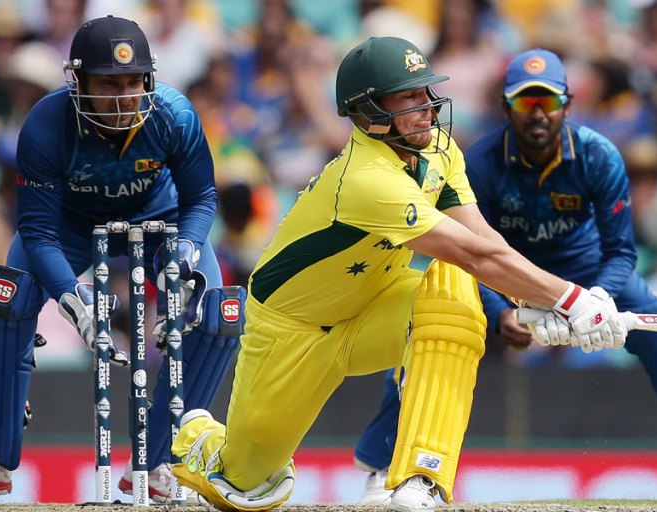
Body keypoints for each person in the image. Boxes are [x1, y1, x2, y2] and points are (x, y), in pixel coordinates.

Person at [168, 36, 628, 512]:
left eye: (426, 91)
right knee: (248, 485)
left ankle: (419, 476)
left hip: (378, 299)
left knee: (452, 297)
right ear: (368, 111)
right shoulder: (367, 178)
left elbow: (483, 240)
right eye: (409, 97)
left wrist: (539, 301)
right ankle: (204, 438)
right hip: (291, 330)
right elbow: (476, 255)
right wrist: (572, 300)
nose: (428, 107)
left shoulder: (440, 152)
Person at [354, 48, 657, 503]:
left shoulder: (599, 156)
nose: (538, 114)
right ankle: (383, 468)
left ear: (567, 104)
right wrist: (501, 312)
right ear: (507, 108)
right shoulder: (480, 162)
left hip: (587, 275)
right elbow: (469, 251)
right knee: (431, 326)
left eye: (549, 101)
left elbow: (621, 251)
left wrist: (597, 300)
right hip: (503, 274)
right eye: (526, 102)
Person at [0, 16, 245, 504]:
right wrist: (73, 299)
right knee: (4, 297)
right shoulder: (47, 123)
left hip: (161, 220)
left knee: (221, 314)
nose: (124, 97)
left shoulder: (174, 114)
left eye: (132, 82)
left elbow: (202, 198)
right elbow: (38, 230)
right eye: (108, 83)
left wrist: (187, 253)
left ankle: (162, 460)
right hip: (71, 224)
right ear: (79, 81)